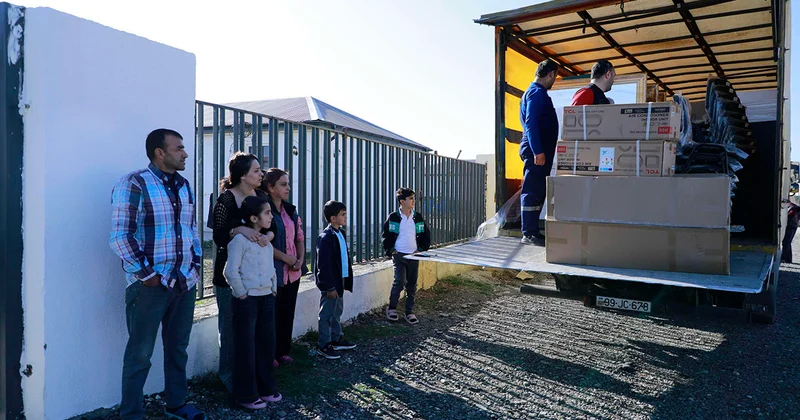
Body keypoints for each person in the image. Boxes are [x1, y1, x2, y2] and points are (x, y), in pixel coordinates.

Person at [109, 128, 205, 420]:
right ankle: (132, 414)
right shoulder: (135, 183)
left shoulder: (184, 185)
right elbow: (120, 236)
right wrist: (147, 275)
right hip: (150, 286)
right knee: (139, 354)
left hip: (184, 282)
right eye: (178, 148)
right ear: (159, 153)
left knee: (178, 349)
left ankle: (176, 405)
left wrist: (195, 265)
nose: (185, 154)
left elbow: (190, 230)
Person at [211, 153, 272, 393]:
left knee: (255, 331)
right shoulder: (226, 199)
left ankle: (252, 378)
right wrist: (240, 230)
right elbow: (218, 235)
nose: (261, 174)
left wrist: (266, 237)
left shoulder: (261, 197)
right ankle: (229, 378)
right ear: (242, 175)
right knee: (229, 329)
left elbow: (273, 228)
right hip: (231, 276)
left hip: (257, 278)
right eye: (256, 170)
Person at [223, 195, 282, 410]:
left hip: (266, 298)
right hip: (247, 301)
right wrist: (242, 294)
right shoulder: (239, 241)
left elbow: (271, 269)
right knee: (246, 347)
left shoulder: (266, 242)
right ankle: (246, 395)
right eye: (267, 213)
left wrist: (272, 289)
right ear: (254, 218)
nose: (271, 217)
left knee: (266, 344)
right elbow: (230, 271)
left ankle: (266, 388)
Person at [261, 168, 308, 366]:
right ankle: (269, 354)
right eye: (283, 184)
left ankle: (283, 351)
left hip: (293, 272)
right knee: (272, 315)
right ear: (271, 187)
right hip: (274, 272)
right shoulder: (264, 211)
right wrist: (287, 259)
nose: (288, 188)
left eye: (288, 184)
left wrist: (300, 259)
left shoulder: (290, 210)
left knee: (287, 312)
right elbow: (263, 243)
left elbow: (300, 237)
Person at [519, 59, 560, 246]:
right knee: (532, 191)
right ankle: (528, 233)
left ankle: (532, 231)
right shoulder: (536, 93)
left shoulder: (535, 92)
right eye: (555, 77)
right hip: (536, 152)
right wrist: (537, 150)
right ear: (550, 74)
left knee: (537, 191)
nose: (554, 81)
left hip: (539, 151)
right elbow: (531, 122)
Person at [381, 188, 431, 324]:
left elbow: (426, 235)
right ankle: (392, 308)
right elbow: (386, 235)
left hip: (414, 255)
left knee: (412, 284)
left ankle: (409, 312)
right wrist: (391, 250)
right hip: (399, 255)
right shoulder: (394, 217)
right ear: (402, 201)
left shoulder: (417, 217)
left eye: (413, 198)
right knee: (399, 281)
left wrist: (421, 249)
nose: (413, 201)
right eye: (410, 198)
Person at [315, 200, 357, 359]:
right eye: (343, 214)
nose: (346, 217)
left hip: (340, 281)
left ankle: (336, 338)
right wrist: (329, 286)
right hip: (331, 284)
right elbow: (323, 265)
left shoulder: (340, 233)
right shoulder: (326, 237)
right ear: (333, 218)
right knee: (326, 314)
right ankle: (323, 344)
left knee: (337, 311)